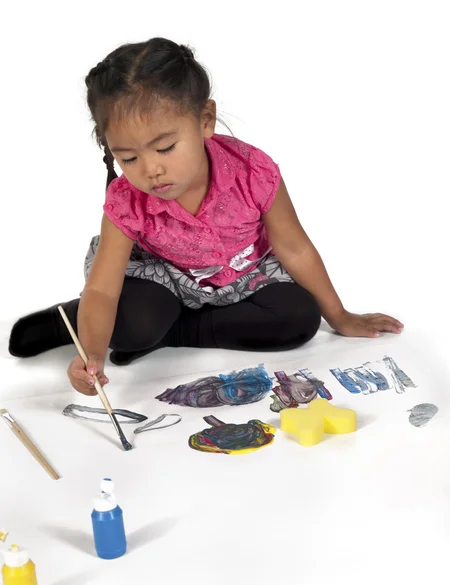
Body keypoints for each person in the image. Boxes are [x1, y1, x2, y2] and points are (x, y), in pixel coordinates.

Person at [8, 37, 403, 396]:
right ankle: (75, 323)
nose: (151, 170)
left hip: (239, 276)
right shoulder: (127, 201)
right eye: (128, 158)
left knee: (300, 319)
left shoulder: (253, 171)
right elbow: (103, 290)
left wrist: (341, 316)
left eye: (165, 148)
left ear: (204, 120)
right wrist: (91, 353)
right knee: (130, 328)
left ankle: (170, 335)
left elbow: (294, 248)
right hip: (160, 281)